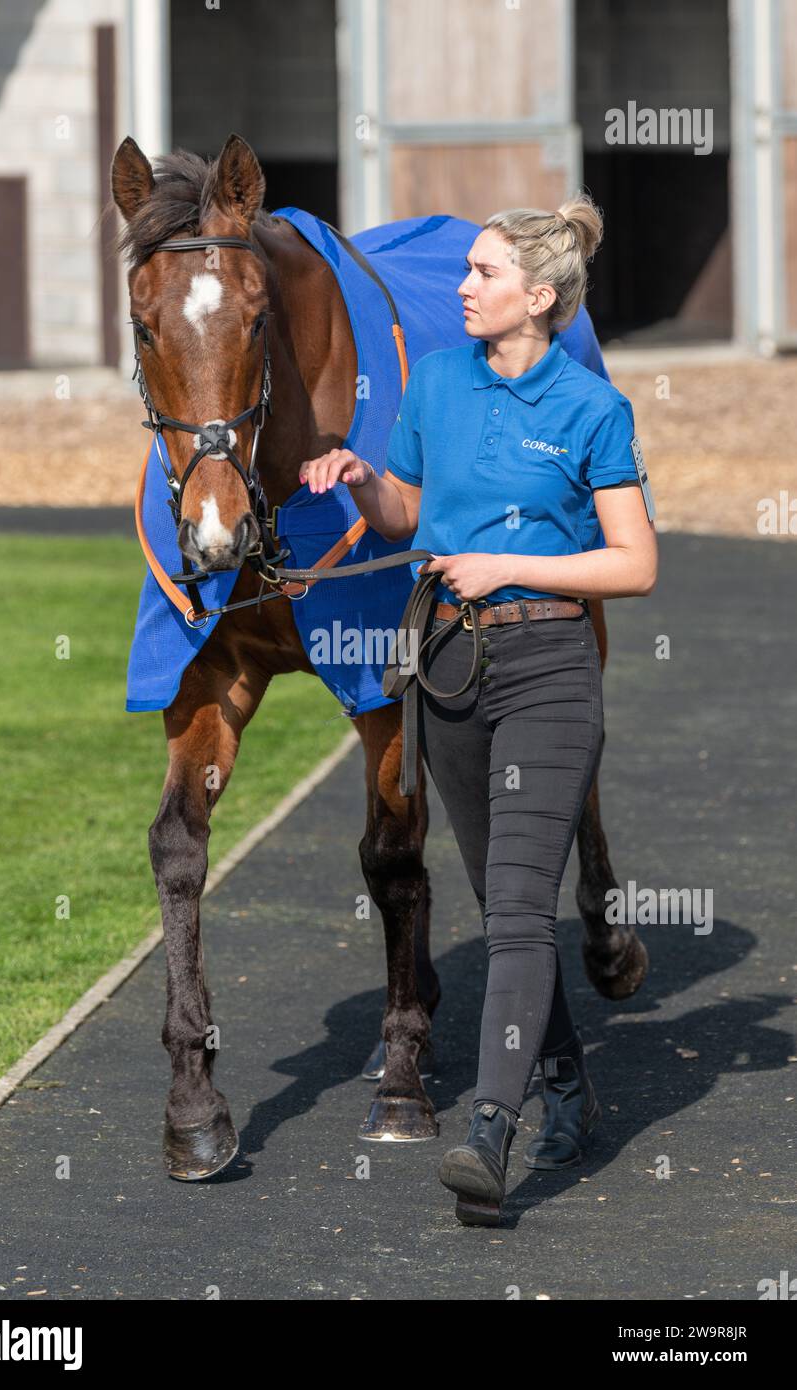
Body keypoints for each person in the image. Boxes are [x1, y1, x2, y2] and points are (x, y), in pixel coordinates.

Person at [299, 194, 657, 1226]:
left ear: (537, 297)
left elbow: (633, 563)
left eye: (483, 272)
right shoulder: (437, 382)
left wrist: (507, 561)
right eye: (463, 270)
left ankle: (490, 1130)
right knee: (504, 906)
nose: (460, 286)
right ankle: (564, 1083)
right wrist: (362, 480)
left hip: (547, 664)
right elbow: (407, 511)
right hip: (447, 667)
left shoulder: (591, 408)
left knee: (511, 909)